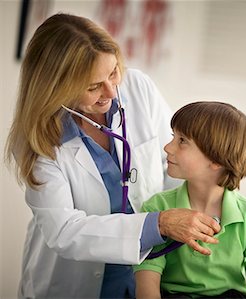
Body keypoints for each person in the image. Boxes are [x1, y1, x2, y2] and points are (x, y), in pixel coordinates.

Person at [4, 13, 220, 299]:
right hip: (71, 282)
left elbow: (175, 166)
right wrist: (159, 224)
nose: (111, 91)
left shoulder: (138, 88)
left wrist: (205, 201)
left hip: (148, 274)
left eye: (113, 72)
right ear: (56, 87)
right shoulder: (37, 138)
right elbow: (64, 230)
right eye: (93, 86)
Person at [133, 101, 246, 299]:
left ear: (216, 160)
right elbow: (147, 282)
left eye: (182, 140)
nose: (168, 147)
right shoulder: (157, 208)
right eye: (173, 137)